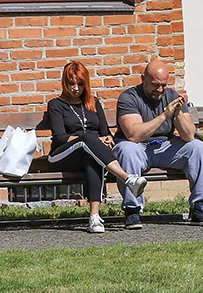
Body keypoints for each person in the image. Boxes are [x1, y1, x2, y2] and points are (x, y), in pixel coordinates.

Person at [112, 59, 203, 229]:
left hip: (165, 147)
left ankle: (199, 208)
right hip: (139, 149)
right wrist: (164, 116)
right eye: (155, 85)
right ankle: (132, 211)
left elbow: (189, 135)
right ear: (143, 78)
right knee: (126, 149)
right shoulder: (129, 98)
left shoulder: (172, 96)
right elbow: (133, 135)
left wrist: (177, 115)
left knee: (198, 148)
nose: (159, 90)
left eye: (163, 85)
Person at [46, 61, 147, 233]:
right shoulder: (56, 105)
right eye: (71, 83)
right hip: (61, 156)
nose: (76, 88)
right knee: (88, 140)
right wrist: (91, 139)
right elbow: (60, 138)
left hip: (89, 151)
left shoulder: (93, 103)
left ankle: (94, 217)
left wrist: (107, 139)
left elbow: (105, 132)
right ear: (65, 83)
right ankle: (127, 178)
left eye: (80, 83)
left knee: (93, 156)